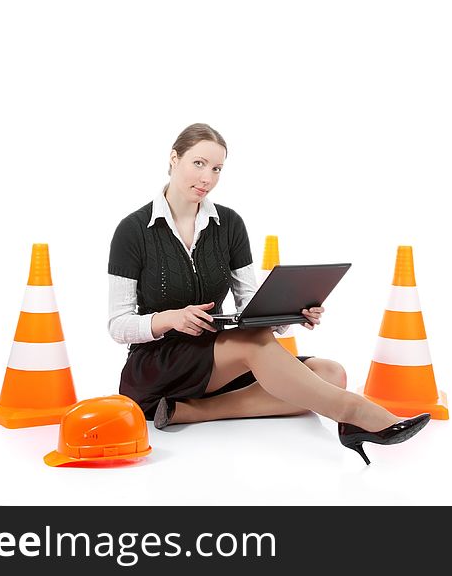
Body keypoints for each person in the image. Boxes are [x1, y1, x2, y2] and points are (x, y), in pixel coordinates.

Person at [107, 123, 429, 464]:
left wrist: (288, 312)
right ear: (174, 159)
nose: (207, 178)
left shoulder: (229, 224)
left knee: (331, 374)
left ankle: (193, 412)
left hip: (217, 359)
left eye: (217, 169)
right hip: (158, 364)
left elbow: (250, 306)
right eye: (198, 164)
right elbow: (118, 325)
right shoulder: (133, 231)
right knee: (255, 343)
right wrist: (170, 319)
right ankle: (353, 411)